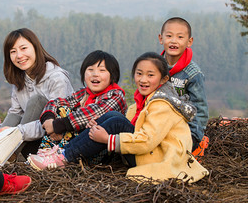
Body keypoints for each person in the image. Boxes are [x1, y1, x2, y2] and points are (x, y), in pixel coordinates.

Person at [28, 52, 208, 184]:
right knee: (112, 118)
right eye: (139, 73)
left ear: (163, 80)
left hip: (157, 158)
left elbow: (147, 140)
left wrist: (108, 139)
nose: (143, 79)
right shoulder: (139, 103)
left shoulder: (162, 105)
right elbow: (59, 103)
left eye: (150, 75)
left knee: (115, 120)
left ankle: (63, 156)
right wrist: (97, 125)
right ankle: (60, 153)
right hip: (144, 154)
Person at [38, 50, 127, 164]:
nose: (95, 74)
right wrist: (49, 120)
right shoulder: (84, 93)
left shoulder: (115, 95)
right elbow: (55, 103)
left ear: (112, 76)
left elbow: (90, 114)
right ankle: (46, 152)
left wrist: (57, 126)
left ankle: (58, 157)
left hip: (100, 150)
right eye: (90, 70)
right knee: (62, 110)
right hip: (75, 144)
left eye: (102, 70)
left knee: (80, 120)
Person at [1, 28, 74, 158]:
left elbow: (56, 122)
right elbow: (15, 114)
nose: (19, 56)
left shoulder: (57, 78)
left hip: (55, 140)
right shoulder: (20, 80)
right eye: (13, 51)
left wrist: (16, 133)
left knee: (37, 101)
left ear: (35, 47)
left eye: (23, 48)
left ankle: (8, 155)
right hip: (29, 139)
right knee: (13, 116)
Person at [158, 17, 209, 152]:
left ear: (189, 42)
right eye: (169, 36)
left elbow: (200, 110)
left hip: (184, 128)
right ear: (161, 38)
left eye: (180, 37)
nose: (174, 41)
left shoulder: (193, 74)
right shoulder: (155, 67)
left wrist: (194, 137)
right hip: (159, 123)